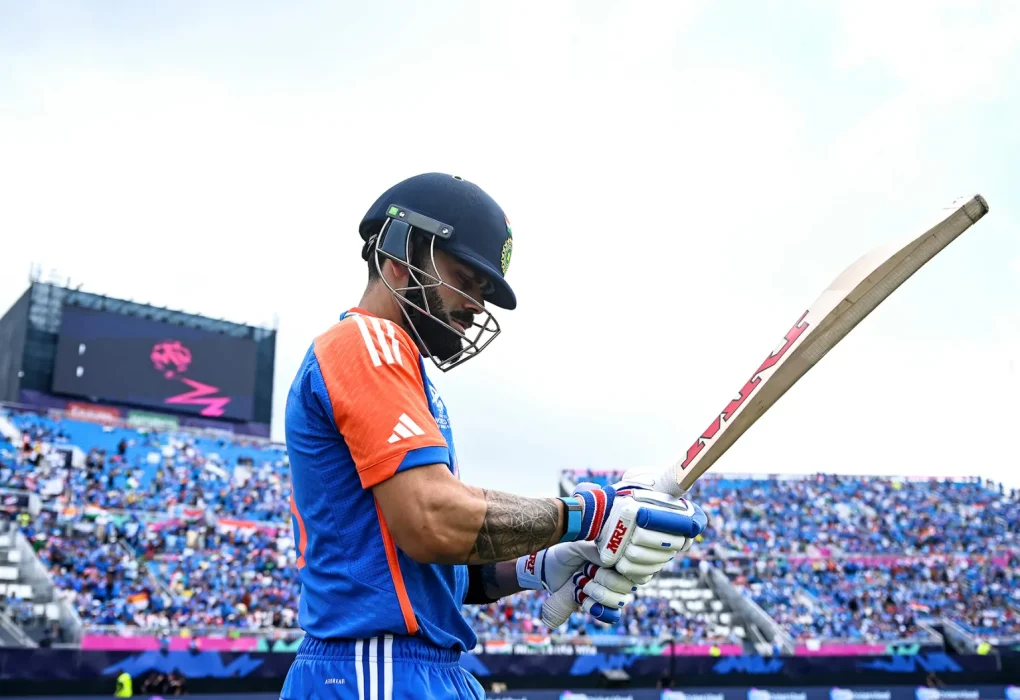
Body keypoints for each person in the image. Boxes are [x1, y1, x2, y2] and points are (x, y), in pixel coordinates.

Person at [281, 173, 708, 699]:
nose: (475, 304)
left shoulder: (400, 368)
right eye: (465, 278)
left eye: (483, 290)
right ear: (400, 249)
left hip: (410, 667)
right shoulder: (367, 341)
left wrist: (542, 563)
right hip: (378, 668)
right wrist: (590, 514)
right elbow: (431, 523)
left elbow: (435, 569)